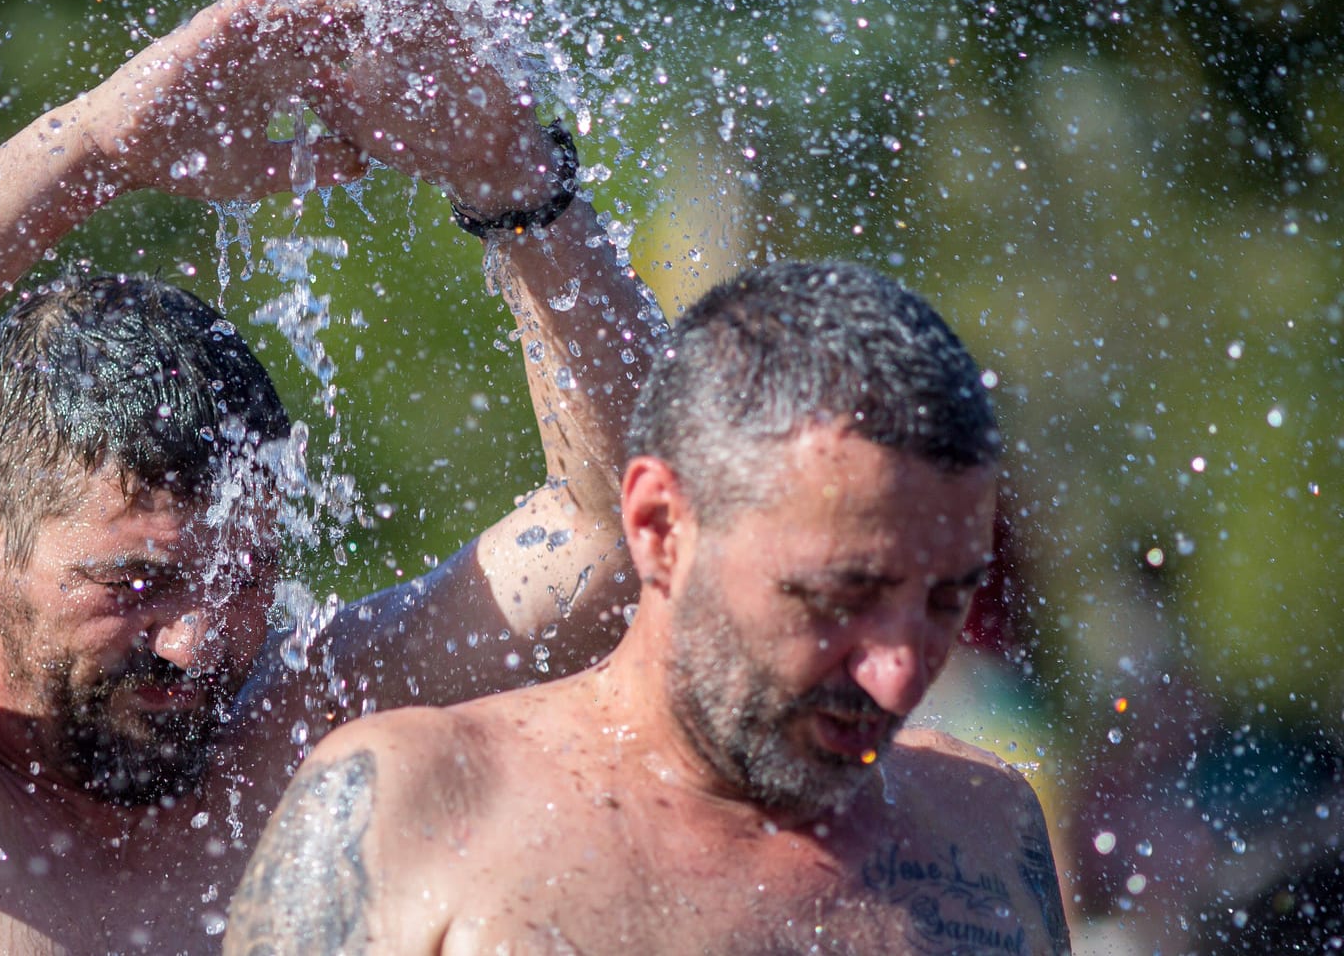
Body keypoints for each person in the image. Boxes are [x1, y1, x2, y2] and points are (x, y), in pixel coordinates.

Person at [0, 0, 662, 954]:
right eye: (134, 584)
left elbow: (627, 527)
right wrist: (93, 151)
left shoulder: (307, 739)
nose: (198, 643)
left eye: (243, 581)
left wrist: (516, 184)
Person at [227, 261, 1075, 955]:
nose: (897, 677)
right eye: (838, 599)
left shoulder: (987, 824)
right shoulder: (416, 809)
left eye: (945, 602)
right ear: (660, 528)